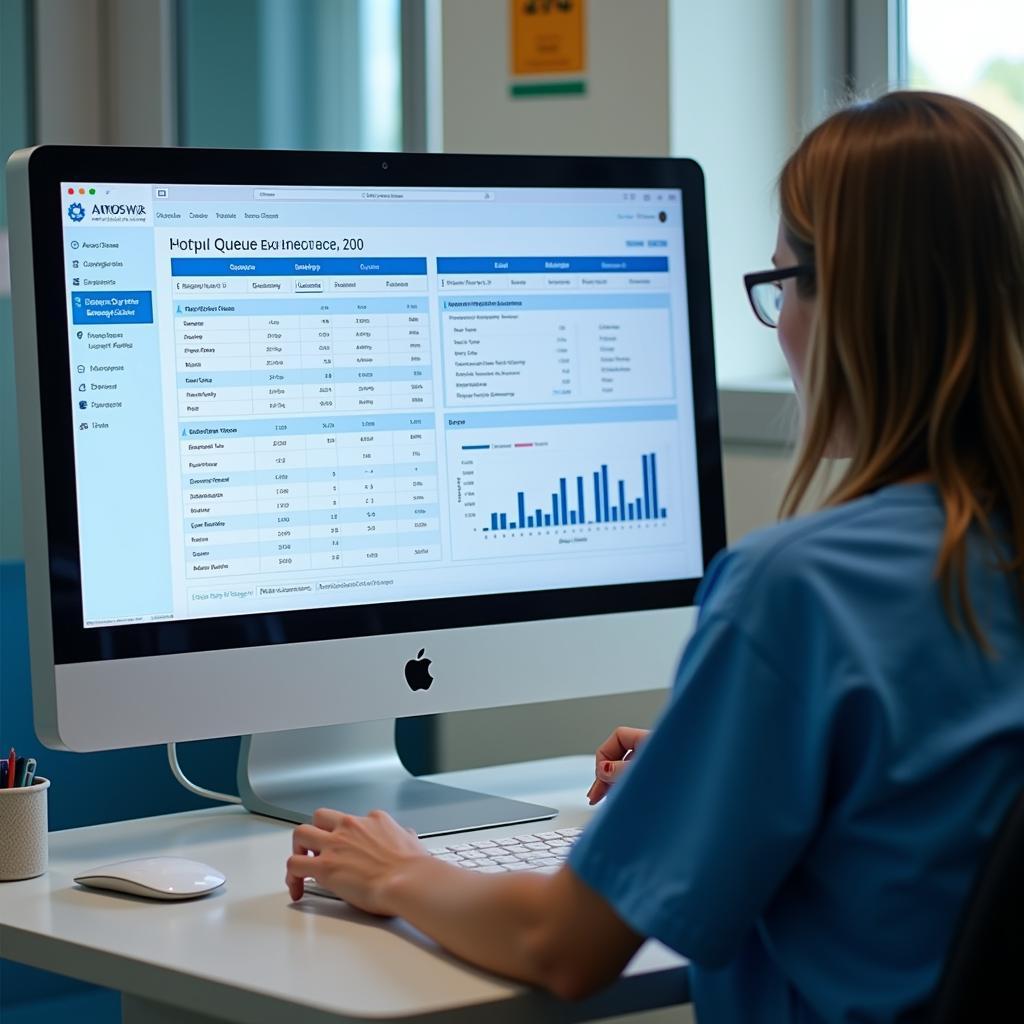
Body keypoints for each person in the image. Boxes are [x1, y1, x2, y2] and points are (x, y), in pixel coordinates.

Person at [285, 91, 1024, 1023]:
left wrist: (400, 873)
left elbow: (563, 944)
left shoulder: (799, 594)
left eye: (783, 282)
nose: (782, 319)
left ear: (855, 304)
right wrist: (705, 769)